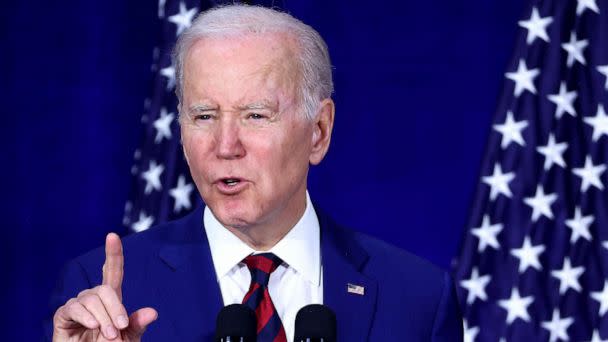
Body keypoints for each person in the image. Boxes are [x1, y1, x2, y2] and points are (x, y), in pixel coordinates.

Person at [46, 5, 463, 341]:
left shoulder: (417, 300)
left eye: (256, 115)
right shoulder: (107, 298)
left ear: (318, 132)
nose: (226, 146)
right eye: (204, 115)